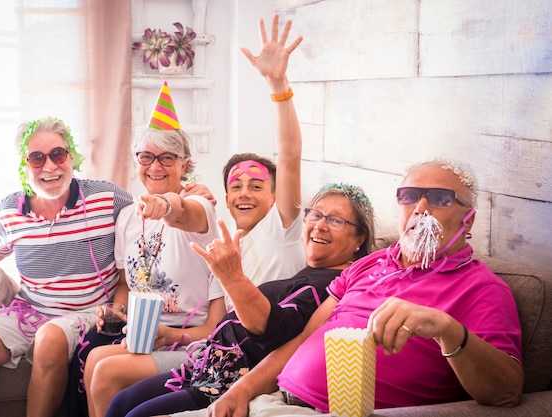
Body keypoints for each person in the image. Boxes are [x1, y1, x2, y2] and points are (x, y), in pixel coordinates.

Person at [197, 159, 523, 417]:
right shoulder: (369, 264)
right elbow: (301, 340)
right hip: (273, 400)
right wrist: (240, 392)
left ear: (469, 220)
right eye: (409, 196)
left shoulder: (483, 289)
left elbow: (506, 392)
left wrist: (448, 330)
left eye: (440, 199)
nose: (420, 208)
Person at [103, 182, 376, 417]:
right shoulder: (312, 272)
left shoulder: (332, 285)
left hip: (227, 379)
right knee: (121, 402)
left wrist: (233, 277)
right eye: (315, 214)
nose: (320, 225)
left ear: (359, 238)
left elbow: (273, 330)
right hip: (203, 366)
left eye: (336, 220)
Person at [0, 116, 135, 417]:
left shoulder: (107, 197)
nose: (50, 166)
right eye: (37, 158)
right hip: (30, 310)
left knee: (50, 338)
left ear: (71, 157)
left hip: (85, 312)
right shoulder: (10, 209)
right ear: (23, 165)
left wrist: (186, 196)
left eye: (58, 154)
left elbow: (148, 219)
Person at [69, 81, 227, 417]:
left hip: (189, 339)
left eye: (167, 158)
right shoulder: (127, 215)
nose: (155, 166)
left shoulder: (202, 205)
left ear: (184, 164)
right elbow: (129, 284)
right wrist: (117, 312)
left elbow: (185, 211)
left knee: (106, 370)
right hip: (143, 335)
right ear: (137, 160)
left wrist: (165, 204)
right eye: (146, 156)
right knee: (94, 360)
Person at [221, 14, 306, 300]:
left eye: (256, 186)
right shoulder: (229, 247)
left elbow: (290, 156)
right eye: (236, 187)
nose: (244, 194)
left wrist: (277, 84)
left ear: (274, 197)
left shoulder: (281, 227)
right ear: (226, 199)